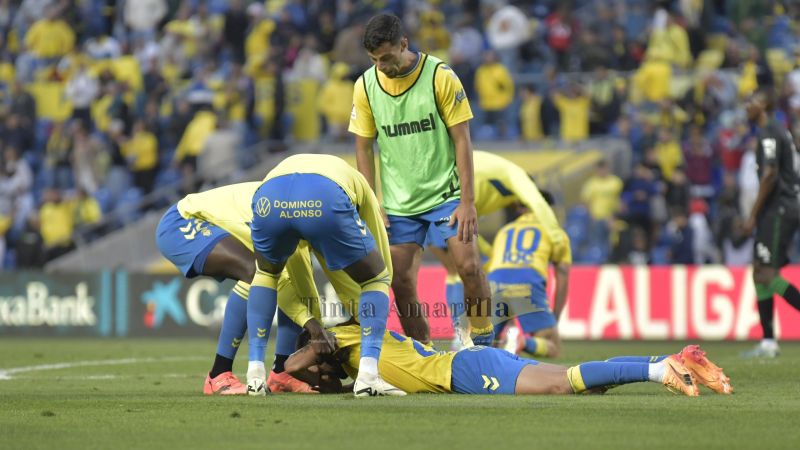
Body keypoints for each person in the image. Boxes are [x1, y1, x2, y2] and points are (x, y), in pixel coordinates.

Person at [350, 13, 492, 346]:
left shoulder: (440, 77)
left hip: (447, 194)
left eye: (386, 58)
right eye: (374, 60)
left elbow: (463, 139)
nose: (381, 66)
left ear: (404, 44)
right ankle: (424, 353)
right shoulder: (366, 86)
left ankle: (485, 346)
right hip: (400, 203)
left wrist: (468, 202)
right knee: (400, 282)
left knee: (469, 267)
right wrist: (372, 203)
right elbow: (362, 148)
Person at [247, 154, 405, 397]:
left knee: (266, 274)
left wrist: (314, 321)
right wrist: (378, 284)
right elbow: (381, 265)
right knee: (377, 277)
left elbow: (298, 273)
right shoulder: (363, 188)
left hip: (269, 194)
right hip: (322, 193)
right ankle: (369, 376)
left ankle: (254, 375)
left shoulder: (297, 169)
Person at [155, 182, 326, 395]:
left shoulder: (299, 217)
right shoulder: (274, 215)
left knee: (283, 279)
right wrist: (311, 325)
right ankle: (218, 374)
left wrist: (318, 329)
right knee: (255, 272)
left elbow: (303, 284)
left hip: (221, 224)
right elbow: (275, 280)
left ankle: (282, 373)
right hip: (183, 221)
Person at [285, 322, 733, 396]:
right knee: (578, 381)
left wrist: (313, 336)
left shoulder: (344, 336)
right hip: (472, 362)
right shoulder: (360, 357)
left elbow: (290, 366)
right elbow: (318, 375)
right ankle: (675, 359)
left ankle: (660, 372)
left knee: (564, 382)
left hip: (465, 372)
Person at [423, 151, 562, 349]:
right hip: (441, 200)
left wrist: (490, 253)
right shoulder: (517, 178)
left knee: (461, 269)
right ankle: (462, 335)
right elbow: (538, 203)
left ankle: (465, 334)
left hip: (436, 194)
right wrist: (556, 236)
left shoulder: (496, 186)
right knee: (458, 270)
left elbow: (472, 225)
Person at [741, 90, 800, 358]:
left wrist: (753, 213)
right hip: (777, 209)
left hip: (779, 208)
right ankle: (768, 342)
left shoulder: (768, 133)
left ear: (764, 104)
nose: (746, 107)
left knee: (766, 273)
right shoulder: (776, 130)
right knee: (758, 271)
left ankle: (768, 342)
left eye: (750, 102)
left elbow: (770, 174)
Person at [486, 190, 570, 358]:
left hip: (494, 281)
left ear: (522, 208)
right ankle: (523, 341)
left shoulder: (504, 230)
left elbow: (496, 267)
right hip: (527, 280)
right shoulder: (555, 233)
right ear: (549, 209)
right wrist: (555, 317)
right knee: (551, 345)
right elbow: (562, 278)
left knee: (487, 346)